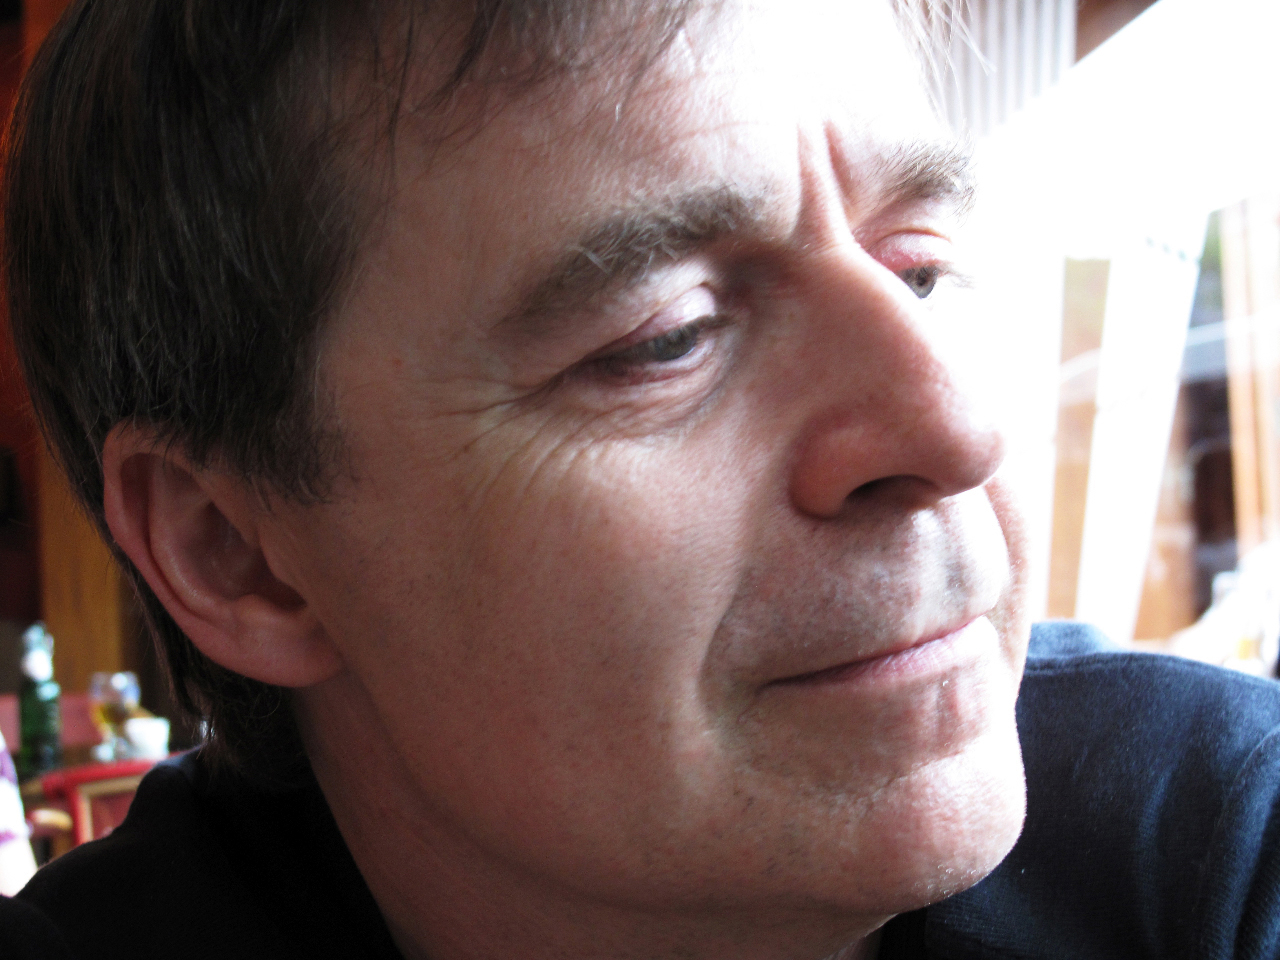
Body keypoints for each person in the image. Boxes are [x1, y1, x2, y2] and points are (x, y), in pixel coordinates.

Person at [2, 0, 1278, 957]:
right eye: (663, 339)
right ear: (237, 552)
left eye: (920, 271)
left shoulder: (1211, 850)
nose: (954, 429)